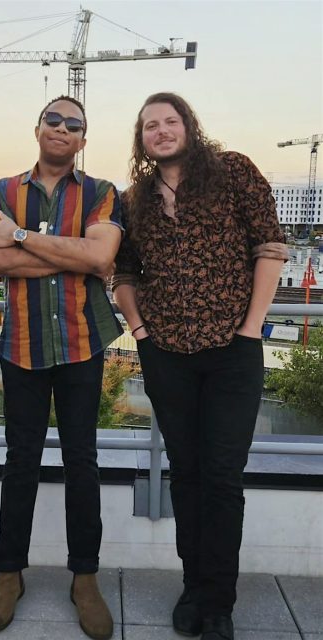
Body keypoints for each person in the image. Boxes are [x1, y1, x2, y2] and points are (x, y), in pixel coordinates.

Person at [112, 93, 288, 640]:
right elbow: (124, 274)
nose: (161, 131)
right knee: (185, 475)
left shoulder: (232, 171)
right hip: (166, 355)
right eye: (150, 126)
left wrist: (251, 327)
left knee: (222, 478)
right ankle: (193, 586)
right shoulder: (135, 199)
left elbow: (270, 246)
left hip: (233, 350)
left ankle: (219, 602)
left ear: (189, 126)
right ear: (141, 139)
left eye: (170, 121)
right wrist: (141, 333)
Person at [0, 96, 122, 640]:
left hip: (83, 344)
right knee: (21, 463)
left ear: (83, 140)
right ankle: (8, 575)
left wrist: (21, 237)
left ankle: (84, 579)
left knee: (82, 463)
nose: (62, 128)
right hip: (22, 345)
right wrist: (69, 253)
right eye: (53, 120)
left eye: (74, 124)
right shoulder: (1, 191)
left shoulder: (102, 192)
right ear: (37, 128)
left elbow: (101, 258)